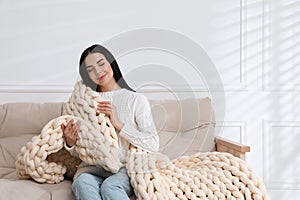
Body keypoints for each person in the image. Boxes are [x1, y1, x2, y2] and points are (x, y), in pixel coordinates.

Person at [60, 44, 159, 200]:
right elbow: (81, 150)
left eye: (101, 64)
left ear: (111, 63)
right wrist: (70, 143)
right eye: (90, 69)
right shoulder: (83, 103)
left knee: (110, 187)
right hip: (92, 168)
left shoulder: (135, 100)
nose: (98, 72)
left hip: (124, 168)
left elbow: (152, 143)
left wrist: (118, 124)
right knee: (82, 183)